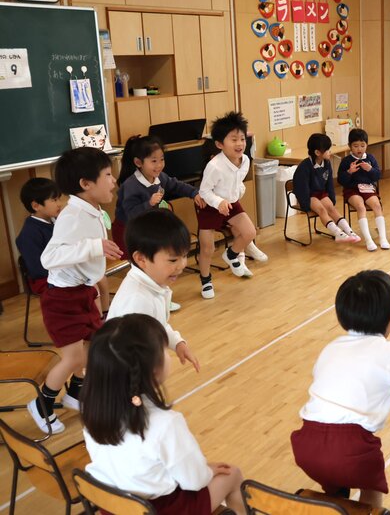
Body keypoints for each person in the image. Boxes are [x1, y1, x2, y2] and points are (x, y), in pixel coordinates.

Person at [291, 270, 390, 509]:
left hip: (306, 445)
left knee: (336, 482)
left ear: (341, 315)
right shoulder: (389, 354)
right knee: (370, 487)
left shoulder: (330, 348)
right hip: (351, 449)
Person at [81, 314, 245, 514]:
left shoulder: (93, 408)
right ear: (153, 370)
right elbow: (194, 482)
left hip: (113, 505)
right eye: (165, 350)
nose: (169, 355)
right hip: (158, 509)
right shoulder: (165, 423)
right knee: (232, 474)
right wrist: (206, 471)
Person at [28, 147, 123, 434]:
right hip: (62, 300)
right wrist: (95, 247)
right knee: (73, 358)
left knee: (94, 346)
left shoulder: (91, 209)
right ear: (86, 184)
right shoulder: (72, 215)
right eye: (107, 175)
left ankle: (75, 393)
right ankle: (42, 404)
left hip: (82, 293)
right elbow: (49, 258)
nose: (113, 181)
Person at [106, 209, 201, 372]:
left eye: (185, 255)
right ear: (141, 259)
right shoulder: (137, 301)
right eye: (173, 260)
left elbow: (158, 325)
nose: (182, 265)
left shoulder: (152, 284)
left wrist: (177, 342)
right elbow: (125, 356)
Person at [197, 112, 265, 299]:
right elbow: (204, 191)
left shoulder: (245, 161)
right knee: (207, 249)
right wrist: (218, 202)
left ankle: (231, 254)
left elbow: (237, 181)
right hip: (210, 207)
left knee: (250, 232)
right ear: (220, 144)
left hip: (231, 203)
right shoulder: (214, 166)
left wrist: (238, 191)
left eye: (242, 139)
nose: (240, 144)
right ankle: (206, 280)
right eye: (233, 139)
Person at [112, 135, 204, 261]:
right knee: (135, 263)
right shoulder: (131, 185)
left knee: (150, 260)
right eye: (154, 161)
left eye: (162, 159)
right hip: (128, 230)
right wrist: (149, 203)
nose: (159, 165)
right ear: (138, 162)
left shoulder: (160, 177)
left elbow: (176, 185)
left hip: (146, 227)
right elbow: (131, 214)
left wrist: (194, 193)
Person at [292, 133, 360, 243]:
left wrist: (331, 199)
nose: (330, 152)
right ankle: (338, 233)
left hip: (321, 193)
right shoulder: (304, 167)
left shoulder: (327, 163)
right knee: (322, 210)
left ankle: (349, 231)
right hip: (309, 196)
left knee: (332, 209)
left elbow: (329, 184)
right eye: (327, 150)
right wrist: (306, 205)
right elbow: (301, 189)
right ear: (317, 153)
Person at [337, 128, 390, 251]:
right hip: (352, 190)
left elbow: (378, 176)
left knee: (377, 206)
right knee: (360, 207)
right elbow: (341, 180)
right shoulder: (346, 161)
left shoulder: (370, 158)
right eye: (355, 146)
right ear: (349, 146)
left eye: (362, 145)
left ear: (367, 145)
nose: (359, 149)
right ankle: (368, 240)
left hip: (368, 188)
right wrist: (349, 172)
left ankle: (383, 238)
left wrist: (370, 169)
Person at [15, 177, 63, 295]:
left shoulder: (57, 221)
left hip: (62, 272)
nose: (59, 204)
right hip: (45, 280)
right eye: (54, 200)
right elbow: (38, 269)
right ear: (36, 206)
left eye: (59, 199)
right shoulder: (29, 233)